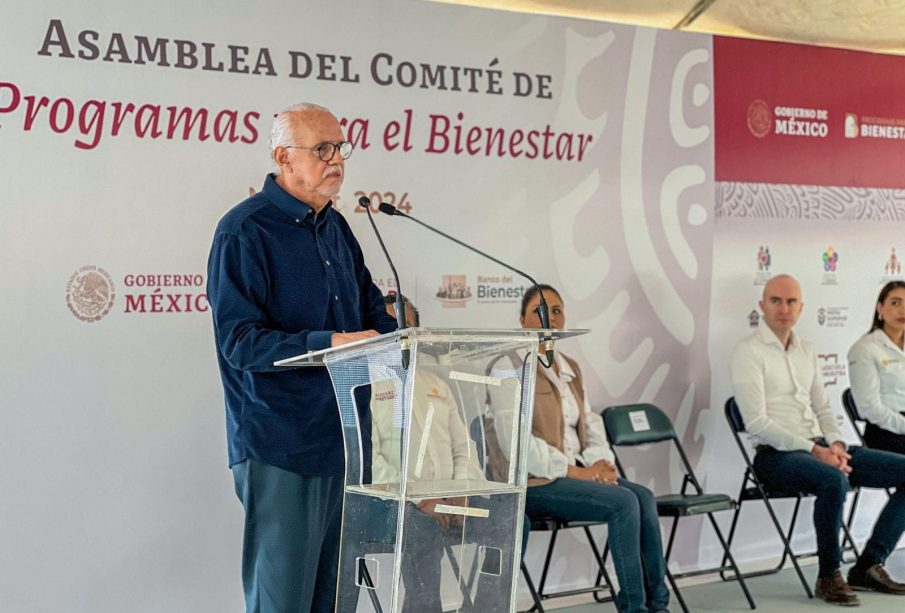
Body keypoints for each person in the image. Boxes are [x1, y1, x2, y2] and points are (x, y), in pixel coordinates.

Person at [206, 102, 397, 613]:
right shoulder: (244, 232)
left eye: (340, 148)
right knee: (284, 602)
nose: (336, 160)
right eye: (322, 150)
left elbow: (373, 314)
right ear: (283, 157)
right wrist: (325, 343)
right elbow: (240, 341)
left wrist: (398, 340)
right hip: (281, 445)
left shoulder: (336, 228)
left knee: (338, 601)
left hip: (345, 440)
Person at [490, 284, 670, 613]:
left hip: (579, 474)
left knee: (642, 496)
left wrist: (600, 465)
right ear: (521, 320)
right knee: (624, 503)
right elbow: (517, 446)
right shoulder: (508, 366)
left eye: (556, 310)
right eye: (539, 311)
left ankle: (658, 605)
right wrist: (579, 472)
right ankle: (635, 608)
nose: (550, 317)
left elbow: (589, 423)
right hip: (535, 482)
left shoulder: (570, 366)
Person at [731, 274, 905, 606]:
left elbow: (823, 407)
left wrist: (836, 444)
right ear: (762, 307)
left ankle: (868, 564)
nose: (784, 308)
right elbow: (757, 422)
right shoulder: (748, 352)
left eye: (791, 301)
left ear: (801, 308)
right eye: (776, 301)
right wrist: (815, 450)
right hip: (776, 456)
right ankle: (829, 575)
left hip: (819, 446)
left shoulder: (806, 350)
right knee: (832, 480)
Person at [848, 281, 905, 454]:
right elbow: (870, 408)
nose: (903, 310)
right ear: (880, 308)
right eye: (896, 303)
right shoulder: (865, 349)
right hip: (886, 433)